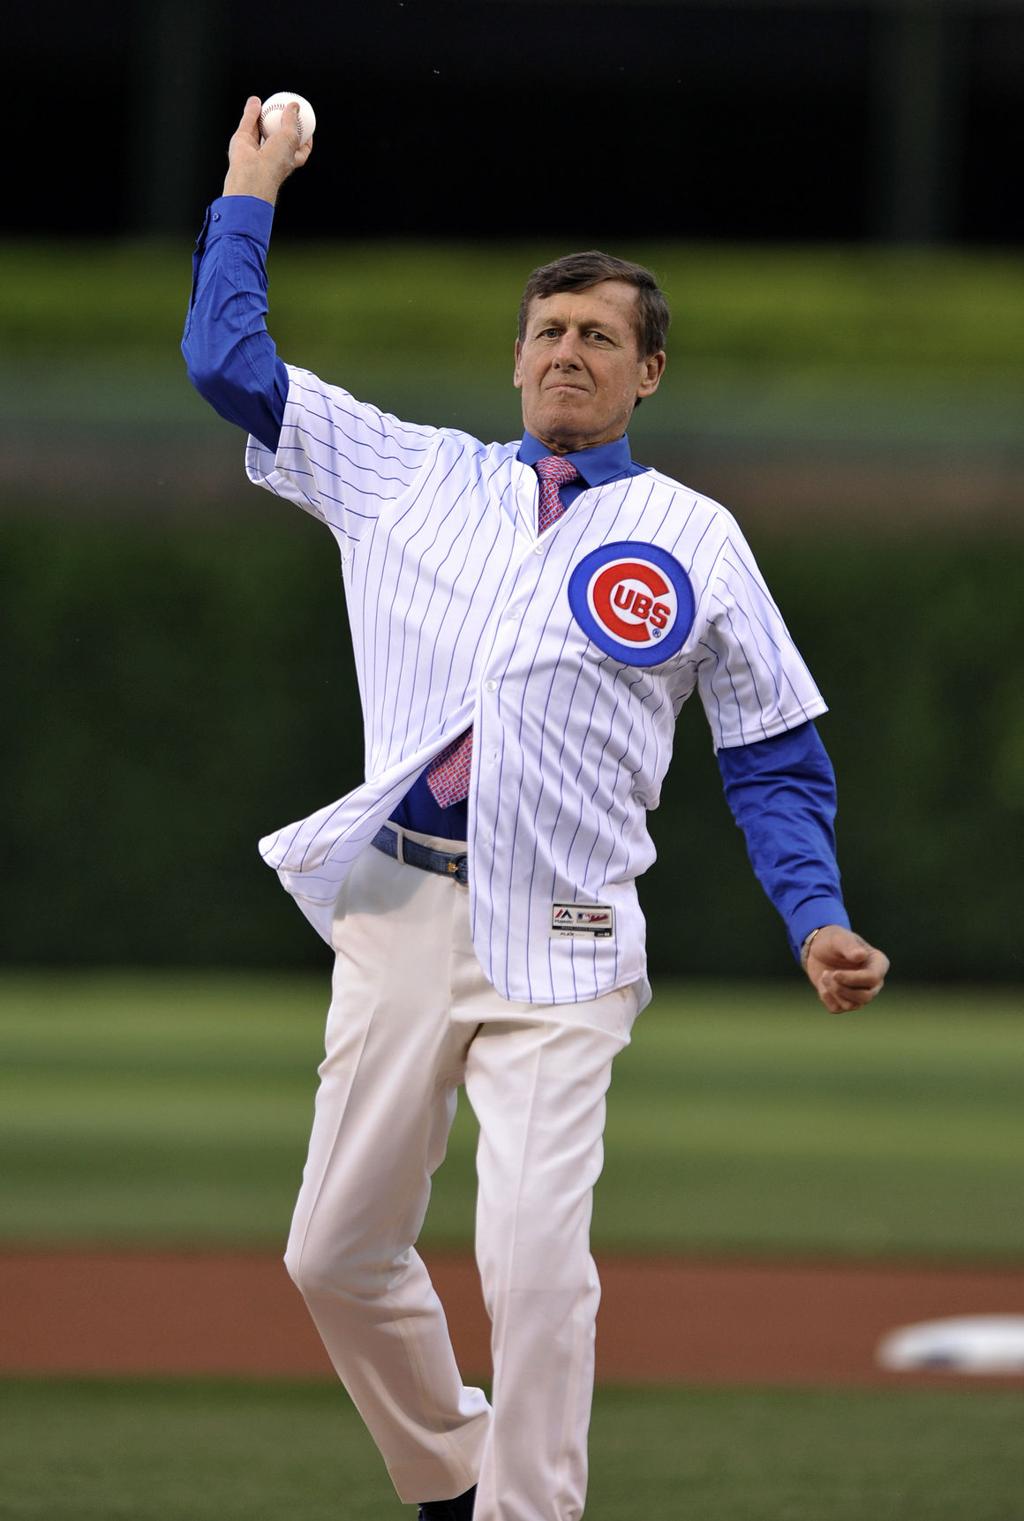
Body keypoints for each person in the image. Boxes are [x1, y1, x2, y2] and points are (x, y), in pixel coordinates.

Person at [183, 98, 889, 1521]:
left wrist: (815, 913)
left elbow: (770, 751)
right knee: (331, 1252)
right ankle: (450, 1464)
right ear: (517, 358)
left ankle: (530, 1511)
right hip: (395, 901)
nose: (569, 352)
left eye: (600, 337)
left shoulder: (695, 536)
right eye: (550, 331)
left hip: (563, 932)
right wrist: (251, 186)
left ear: (648, 373)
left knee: (535, 1256)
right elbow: (225, 361)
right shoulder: (411, 474)